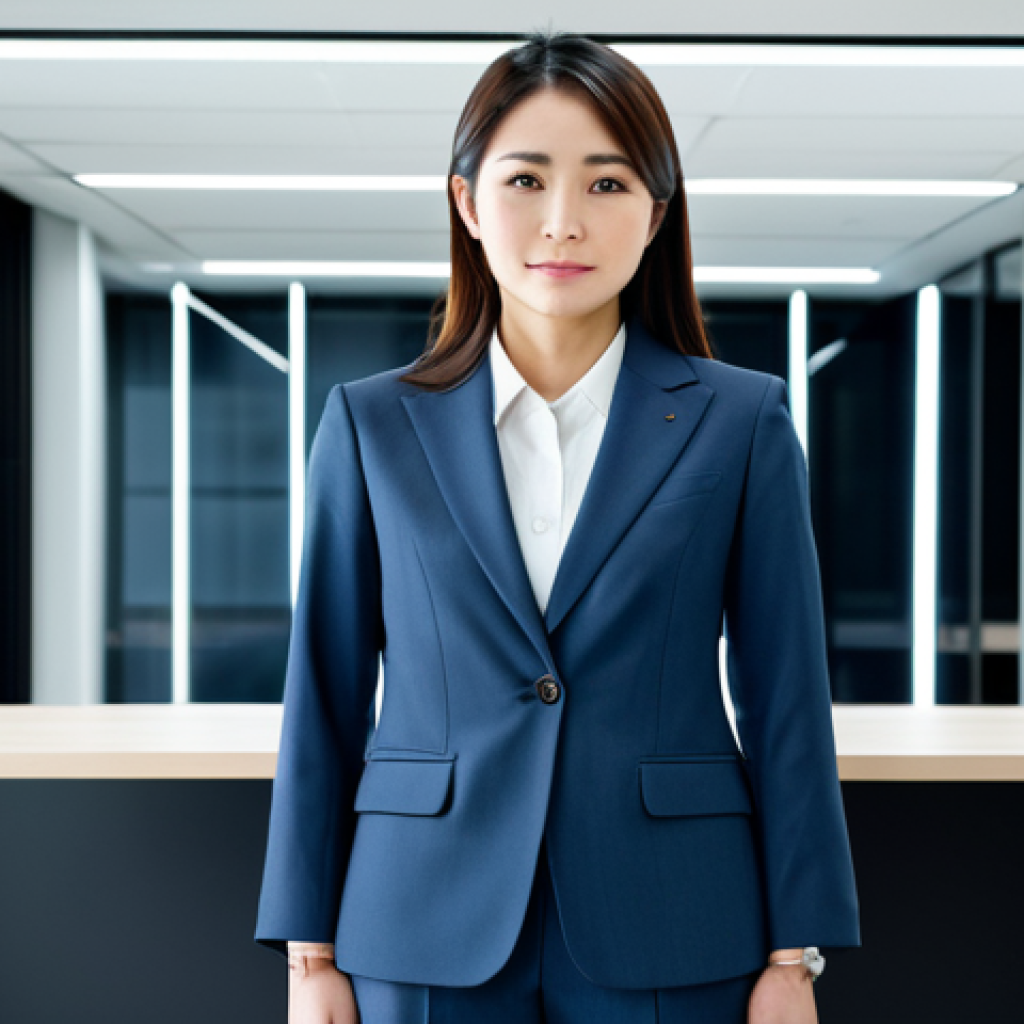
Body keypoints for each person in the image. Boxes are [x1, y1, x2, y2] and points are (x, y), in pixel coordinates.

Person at [255, 30, 861, 1024]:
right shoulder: (369, 424)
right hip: (419, 918)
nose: (563, 222)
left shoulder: (743, 421)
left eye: (608, 185)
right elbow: (322, 691)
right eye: (526, 181)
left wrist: (794, 956)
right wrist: (305, 951)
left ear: (657, 213)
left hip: (675, 914)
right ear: (466, 201)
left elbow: (787, 693)